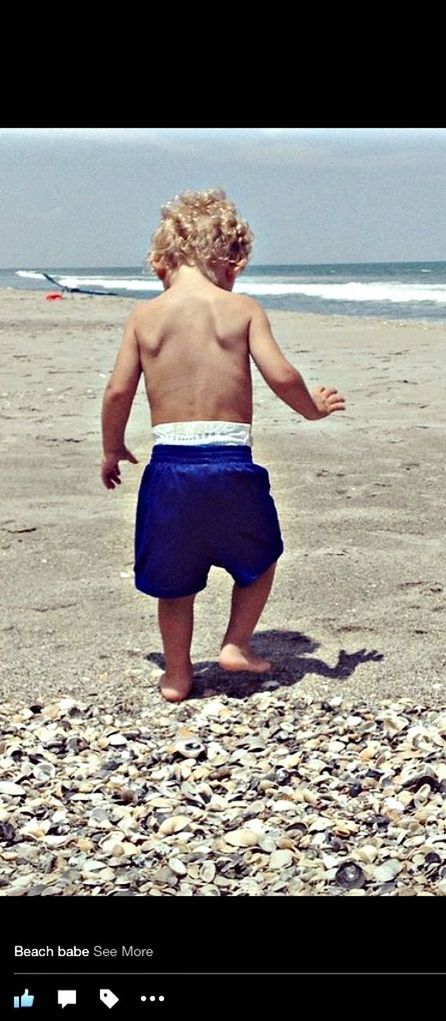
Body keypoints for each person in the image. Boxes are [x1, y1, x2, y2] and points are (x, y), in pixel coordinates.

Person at [100, 188, 345, 702]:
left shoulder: (145, 318)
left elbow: (119, 389)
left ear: (162, 260)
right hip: (231, 463)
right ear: (230, 260)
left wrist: (111, 447)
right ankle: (235, 643)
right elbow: (280, 374)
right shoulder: (241, 309)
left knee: (173, 580)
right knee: (261, 556)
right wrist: (312, 408)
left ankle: (177, 673)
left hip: (169, 468)